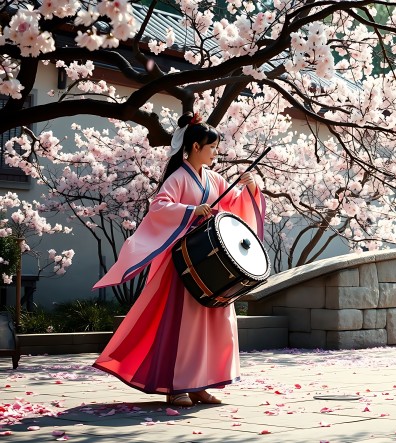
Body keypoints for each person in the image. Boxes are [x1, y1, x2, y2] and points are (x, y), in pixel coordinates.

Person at [93, 112, 267, 407]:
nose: (215, 152)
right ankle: (177, 386)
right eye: (211, 147)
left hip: (210, 263)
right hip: (186, 262)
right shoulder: (178, 177)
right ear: (195, 147)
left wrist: (250, 188)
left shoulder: (212, 178)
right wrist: (190, 211)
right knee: (185, 325)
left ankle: (202, 384)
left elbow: (233, 202)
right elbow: (160, 207)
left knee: (215, 320)